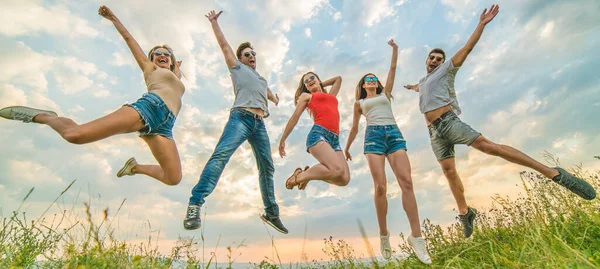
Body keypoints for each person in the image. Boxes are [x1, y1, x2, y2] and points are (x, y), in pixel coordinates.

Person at [404, 4, 596, 238]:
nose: (434, 60)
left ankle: (553, 173)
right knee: (448, 172)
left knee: (488, 147)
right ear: (426, 60)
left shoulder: (447, 70)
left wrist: (481, 25)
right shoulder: (424, 81)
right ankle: (466, 213)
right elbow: (421, 88)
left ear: (443, 62)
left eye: (438, 58)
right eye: (431, 58)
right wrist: (413, 86)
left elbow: (468, 47)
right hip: (434, 133)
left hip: (448, 122)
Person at [0, 5, 185, 186]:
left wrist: (177, 66)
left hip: (165, 126)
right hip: (150, 109)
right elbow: (130, 39)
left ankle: (134, 167)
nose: (162, 55)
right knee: (74, 135)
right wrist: (114, 19)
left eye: (166, 54)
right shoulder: (150, 68)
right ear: (151, 59)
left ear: (172, 60)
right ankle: (44, 117)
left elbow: (175, 74)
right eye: (156, 53)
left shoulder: (175, 76)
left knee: (173, 178)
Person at [184, 10, 287, 234]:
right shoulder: (237, 69)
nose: (252, 57)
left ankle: (271, 213)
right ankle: (195, 204)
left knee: (267, 166)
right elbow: (224, 47)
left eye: (253, 54)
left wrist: (274, 97)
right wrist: (214, 23)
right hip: (240, 118)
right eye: (247, 54)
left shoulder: (261, 78)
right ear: (240, 59)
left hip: (259, 124)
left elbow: (265, 89)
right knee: (221, 155)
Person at [344, 39, 431, 264]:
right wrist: (347, 147)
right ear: (363, 85)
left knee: (407, 183)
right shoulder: (359, 103)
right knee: (381, 186)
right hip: (373, 137)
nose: (372, 80)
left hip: (393, 134)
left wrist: (395, 49)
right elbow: (354, 127)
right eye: (368, 79)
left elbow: (392, 69)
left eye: (374, 79)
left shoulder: (386, 94)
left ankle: (417, 238)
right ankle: (384, 235)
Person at [279, 72, 350, 190]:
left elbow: (338, 79)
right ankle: (299, 177)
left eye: (312, 78)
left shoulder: (331, 96)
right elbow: (294, 117)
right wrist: (283, 139)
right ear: (306, 87)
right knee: (337, 170)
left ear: (318, 79)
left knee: (344, 179)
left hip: (335, 140)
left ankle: (307, 175)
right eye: (306, 82)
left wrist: (321, 84)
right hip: (318, 135)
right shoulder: (307, 97)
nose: (309, 81)